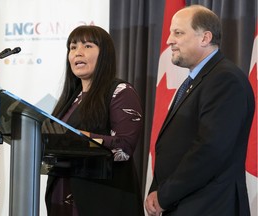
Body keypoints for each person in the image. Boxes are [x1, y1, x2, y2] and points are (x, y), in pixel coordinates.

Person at [145, 5, 255, 216]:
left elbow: (209, 150)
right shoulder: (199, 80)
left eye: (178, 32)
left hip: (209, 206)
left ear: (205, 38)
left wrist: (165, 196)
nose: (169, 40)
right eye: (170, 32)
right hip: (186, 202)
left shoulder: (225, 80)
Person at [44, 25, 145, 216]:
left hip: (103, 201)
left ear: (104, 55)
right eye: (73, 47)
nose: (77, 53)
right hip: (61, 196)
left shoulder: (120, 91)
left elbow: (123, 148)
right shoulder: (70, 99)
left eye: (87, 46)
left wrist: (82, 138)